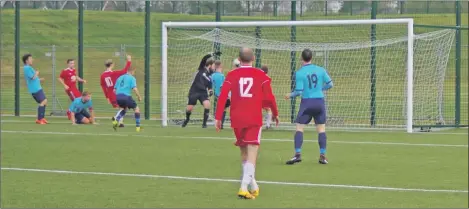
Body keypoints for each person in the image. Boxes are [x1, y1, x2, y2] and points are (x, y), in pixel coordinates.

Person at [215, 48, 279, 200]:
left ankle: (253, 185)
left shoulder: (231, 75)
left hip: (237, 119)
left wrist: (218, 117)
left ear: (239, 59)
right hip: (253, 118)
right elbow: (269, 97)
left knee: (244, 153)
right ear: (253, 58)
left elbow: (223, 96)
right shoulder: (260, 75)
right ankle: (243, 187)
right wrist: (275, 114)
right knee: (252, 153)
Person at [284, 49, 333, 165]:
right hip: (319, 102)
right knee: (321, 129)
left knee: (299, 128)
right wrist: (321, 89)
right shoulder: (321, 70)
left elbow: (299, 91)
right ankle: (322, 156)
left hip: (307, 103)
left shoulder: (300, 73)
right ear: (311, 58)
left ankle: (297, 154)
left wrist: (289, 95)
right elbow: (330, 84)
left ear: (302, 58)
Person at [181, 53, 217, 128]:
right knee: (189, 109)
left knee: (207, 105)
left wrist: (210, 91)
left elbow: (210, 85)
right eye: (213, 65)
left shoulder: (210, 75)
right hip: (194, 91)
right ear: (209, 65)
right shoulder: (201, 68)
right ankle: (187, 119)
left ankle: (204, 124)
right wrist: (211, 54)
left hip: (203, 92)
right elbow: (204, 59)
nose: (214, 67)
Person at [100, 55, 131, 127]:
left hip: (110, 94)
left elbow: (103, 87)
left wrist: (107, 97)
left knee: (122, 107)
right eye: (113, 64)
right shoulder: (113, 73)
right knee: (124, 107)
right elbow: (124, 71)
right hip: (116, 93)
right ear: (111, 65)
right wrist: (129, 61)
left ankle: (120, 123)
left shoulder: (103, 75)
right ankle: (116, 118)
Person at [112, 67, 142, 132]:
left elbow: (114, 90)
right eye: (134, 72)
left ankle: (116, 120)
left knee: (124, 109)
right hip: (126, 96)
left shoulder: (119, 78)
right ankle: (138, 127)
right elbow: (134, 89)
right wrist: (139, 96)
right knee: (136, 109)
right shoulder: (132, 78)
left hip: (118, 97)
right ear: (131, 72)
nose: (134, 74)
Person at [23, 53, 48, 124]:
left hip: (37, 88)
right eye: (30, 59)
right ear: (26, 60)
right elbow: (32, 77)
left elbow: (33, 79)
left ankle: (42, 118)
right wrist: (37, 73)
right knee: (43, 101)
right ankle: (39, 119)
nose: (32, 60)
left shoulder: (29, 68)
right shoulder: (27, 68)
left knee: (44, 101)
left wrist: (39, 79)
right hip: (35, 89)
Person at [211, 60, 230, 129]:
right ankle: (221, 124)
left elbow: (211, 85)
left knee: (219, 109)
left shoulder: (212, 75)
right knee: (224, 109)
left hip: (216, 94)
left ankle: (219, 123)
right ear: (220, 66)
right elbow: (225, 85)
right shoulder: (222, 76)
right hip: (223, 95)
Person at [260, 65, 273, 129]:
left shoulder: (258, 77)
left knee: (258, 110)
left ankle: (259, 123)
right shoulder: (268, 79)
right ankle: (268, 124)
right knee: (268, 110)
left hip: (258, 97)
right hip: (265, 97)